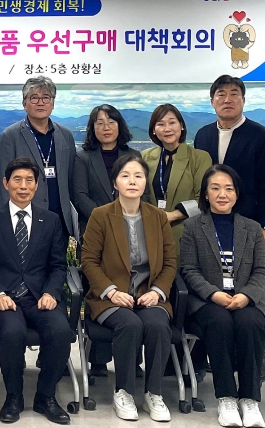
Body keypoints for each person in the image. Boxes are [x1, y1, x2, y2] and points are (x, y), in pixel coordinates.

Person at [0, 157, 71, 425]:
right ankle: (14, 396)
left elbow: (58, 265)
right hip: (5, 299)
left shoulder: (50, 220)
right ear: (5, 183)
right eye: (17, 180)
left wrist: (51, 293)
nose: (23, 186)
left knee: (61, 331)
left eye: (29, 180)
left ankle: (46, 396)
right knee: (12, 332)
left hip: (39, 297)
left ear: (37, 185)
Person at [81, 154, 177, 422]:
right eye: (125, 176)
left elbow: (170, 262)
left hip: (149, 294)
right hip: (110, 297)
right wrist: (111, 291)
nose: (132, 181)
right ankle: (123, 391)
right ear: (115, 183)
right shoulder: (101, 215)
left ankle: (153, 393)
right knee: (130, 324)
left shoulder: (157, 217)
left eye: (138, 176)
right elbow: (88, 261)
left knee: (157, 325)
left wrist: (157, 292)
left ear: (145, 182)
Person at [181, 165, 265, 428]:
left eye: (229, 189)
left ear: (237, 194)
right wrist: (213, 294)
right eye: (215, 188)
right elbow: (189, 269)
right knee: (219, 322)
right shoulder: (193, 227)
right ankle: (227, 398)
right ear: (205, 194)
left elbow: (262, 270)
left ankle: (250, 399)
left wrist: (247, 296)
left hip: (245, 299)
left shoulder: (252, 228)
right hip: (208, 301)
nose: (222, 194)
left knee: (250, 322)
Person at [72, 104, 141, 378]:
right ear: (92, 128)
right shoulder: (83, 157)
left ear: (119, 125)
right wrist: (109, 220)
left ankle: (133, 361)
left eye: (111, 121)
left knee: (132, 289)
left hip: (132, 232)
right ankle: (98, 360)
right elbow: (79, 196)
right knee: (100, 293)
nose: (106, 127)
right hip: (95, 233)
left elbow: (141, 194)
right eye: (99, 123)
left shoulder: (133, 156)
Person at [193, 75, 265, 246]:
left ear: (243, 100)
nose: (227, 99)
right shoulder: (203, 135)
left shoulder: (262, 136)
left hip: (249, 223)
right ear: (212, 101)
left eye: (234, 94)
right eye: (221, 94)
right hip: (209, 222)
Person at [0, 76, 76, 250]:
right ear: (24, 103)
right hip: (25, 219)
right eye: (34, 98)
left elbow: (71, 178)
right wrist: (6, 224)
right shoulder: (10, 136)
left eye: (46, 97)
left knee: (58, 264)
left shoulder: (65, 135)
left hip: (60, 219)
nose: (40, 102)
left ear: (53, 103)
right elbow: (4, 185)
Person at [143, 104, 212, 252]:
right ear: (154, 130)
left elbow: (204, 197)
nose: (167, 128)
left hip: (187, 232)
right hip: (151, 231)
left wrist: (173, 215)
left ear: (181, 126)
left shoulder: (200, 158)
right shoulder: (145, 157)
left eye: (172, 122)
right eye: (161, 124)